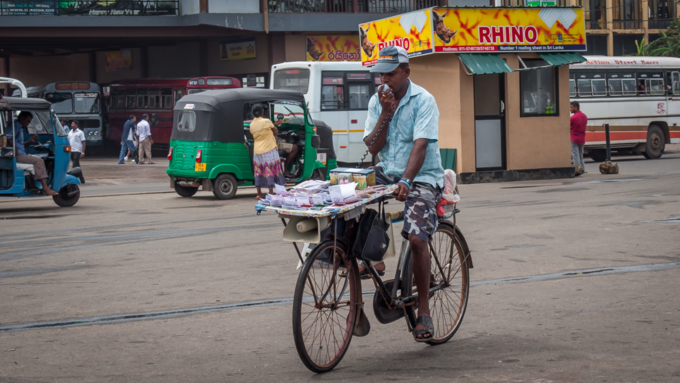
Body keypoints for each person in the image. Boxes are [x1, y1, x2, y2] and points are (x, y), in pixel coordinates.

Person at [364, 46, 445, 342]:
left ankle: (423, 310)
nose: (384, 79)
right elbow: (373, 147)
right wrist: (386, 112)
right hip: (387, 170)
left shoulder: (424, 100)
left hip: (422, 177)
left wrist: (408, 181)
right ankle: (370, 262)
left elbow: (420, 146)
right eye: (381, 74)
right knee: (348, 203)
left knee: (416, 237)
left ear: (406, 73)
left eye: (391, 73)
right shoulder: (378, 101)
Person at [2, 111, 58, 195]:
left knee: (32, 159)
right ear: (21, 118)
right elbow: (7, 137)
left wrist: (30, 141)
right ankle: (46, 188)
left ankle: (32, 185)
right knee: (39, 161)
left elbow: (20, 146)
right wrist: (15, 148)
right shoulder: (16, 124)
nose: (28, 124)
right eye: (27, 121)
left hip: (17, 154)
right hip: (14, 155)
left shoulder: (18, 126)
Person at [249, 104, 285, 199]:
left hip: (257, 151)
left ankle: (259, 193)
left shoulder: (252, 124)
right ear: (262, 112)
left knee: (259, 171)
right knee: (270, 170)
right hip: (268, 149)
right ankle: (271, 192)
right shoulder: (266, 121)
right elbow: (275, 131)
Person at [274, 113, 299, 177]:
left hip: (275, 140)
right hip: (275, 143)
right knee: (295, 148)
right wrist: (277, 124)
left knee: (287, 141)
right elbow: (274, 130)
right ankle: (286, 170)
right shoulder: (268, 123)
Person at [570, 101, 587, 172]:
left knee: (575, 155)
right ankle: (583, 169)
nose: (570, 109)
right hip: (582, 138)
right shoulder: (584, 116)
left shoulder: (573, 118)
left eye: (571, 107)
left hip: (574, 138)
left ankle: (577, 170)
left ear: (575, 107)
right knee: (580, 155)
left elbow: (568, 126)